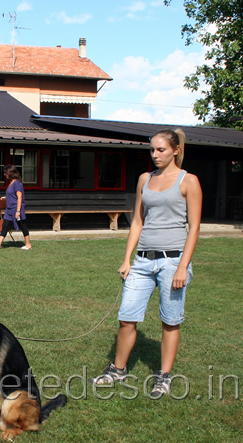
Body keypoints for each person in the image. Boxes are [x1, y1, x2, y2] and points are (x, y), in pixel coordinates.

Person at [90, 128, 202, 398]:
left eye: (161, 150)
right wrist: (127, 259)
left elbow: (195, 227)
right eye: (152, 150)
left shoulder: (189, 181)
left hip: (172, 261)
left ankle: (163, 376)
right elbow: (138, 221)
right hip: (142, 261)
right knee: (126, 318)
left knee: (170, 321)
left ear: (175, 150)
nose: (155, 155)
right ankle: (118, 369)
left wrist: (182, 267)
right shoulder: (145, 179)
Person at [0, 165, 32, 250]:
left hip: (16, 208)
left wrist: (18, 211)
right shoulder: (11, 183)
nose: (5, 174)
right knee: (5, 225)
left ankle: (28, 244)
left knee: (22, 225)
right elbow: (13, 195)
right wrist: (6, 197)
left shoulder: (17, 183)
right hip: (9, 209)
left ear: (11, 173)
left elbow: (19, 197)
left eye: (6, 173)